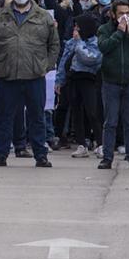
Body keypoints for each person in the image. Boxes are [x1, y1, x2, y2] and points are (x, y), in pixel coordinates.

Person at [0, 0, 58, 168]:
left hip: (34, 75)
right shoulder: (0, 16)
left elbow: (54, 44)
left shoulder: (43, 16)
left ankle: (41, 155)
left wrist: (45, 65)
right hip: (7, 75)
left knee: (37, 116)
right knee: (4, 117)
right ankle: (0, 154)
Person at [96, 0, 129, 170]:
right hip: (111, 82)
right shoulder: (104, 29)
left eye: (127, 13)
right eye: (121, 13)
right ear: (113, 14)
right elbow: (104, 47)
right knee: (110, 122)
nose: (124, 16)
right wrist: (119, 33)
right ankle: (107, 157)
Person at [56, 11, 103, 157]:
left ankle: (100, 143)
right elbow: (64, 61)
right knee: (76, 112)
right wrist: (59, 80)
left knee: (92, 112)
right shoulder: (71, 42)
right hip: (73, 79)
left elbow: (90, 59)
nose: (75, 30)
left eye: (78, 27)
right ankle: (81, 144)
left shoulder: (94, 42)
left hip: (88, 79)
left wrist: (79, 42)